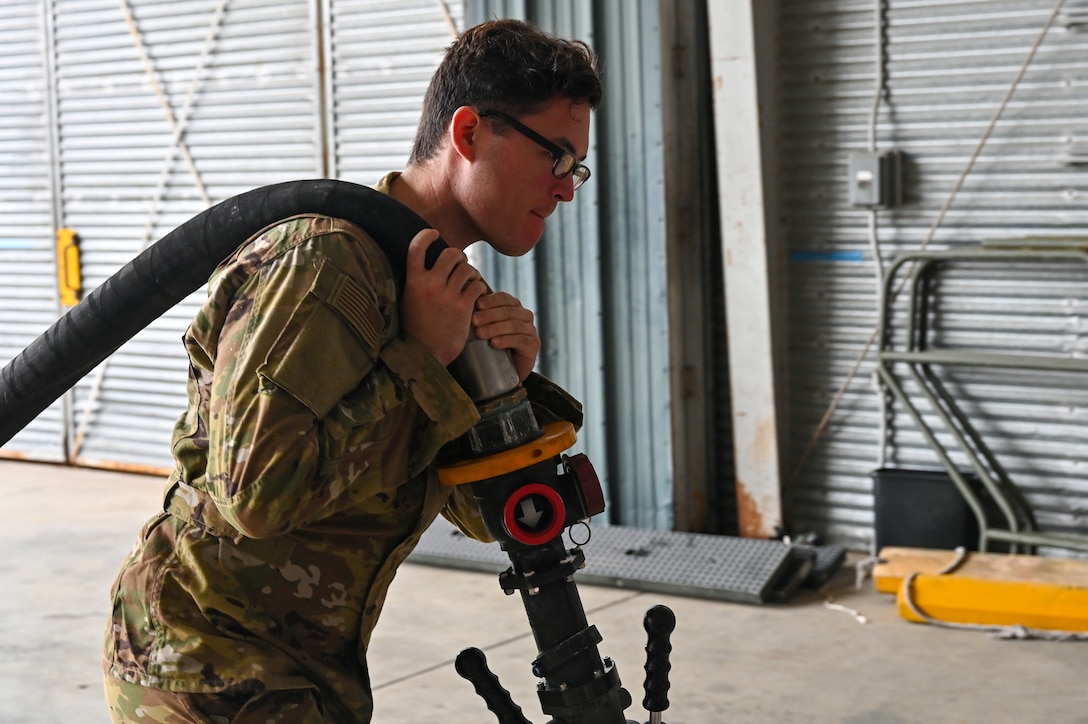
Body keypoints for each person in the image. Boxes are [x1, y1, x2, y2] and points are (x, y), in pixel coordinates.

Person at [101, 18, 602, 724]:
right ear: (469, 135)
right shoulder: (327, 265)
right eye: (557, 158)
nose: (566, 190)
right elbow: (254, 495)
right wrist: (422, 362)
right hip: (206, 665)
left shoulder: (442, 292)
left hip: (301, 671)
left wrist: (503, 393)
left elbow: (477, 514)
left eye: (576, 168)